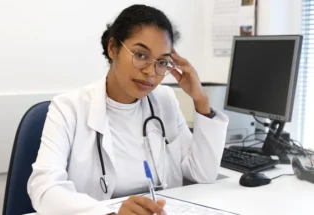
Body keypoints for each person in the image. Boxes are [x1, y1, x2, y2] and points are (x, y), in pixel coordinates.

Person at [27, 4, 229, 215]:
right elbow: (44, 188)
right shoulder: (69, 108)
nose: (151, 72)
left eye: (162, 62)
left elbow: (203, 174)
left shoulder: (165, 100)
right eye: (141, 55)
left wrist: (200, 100)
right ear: (113, 48)